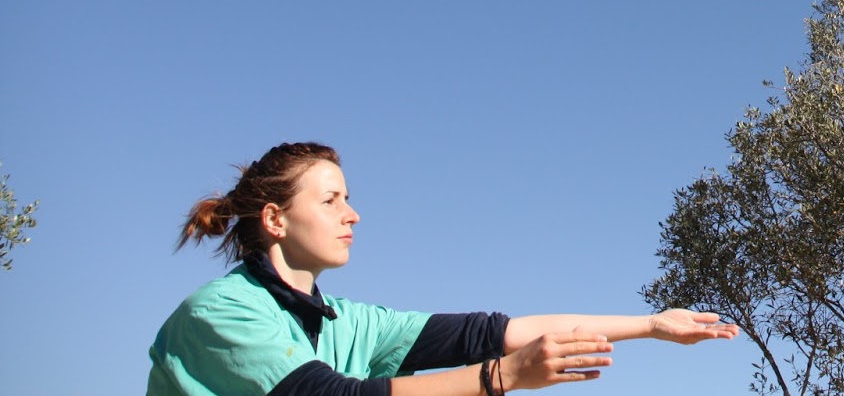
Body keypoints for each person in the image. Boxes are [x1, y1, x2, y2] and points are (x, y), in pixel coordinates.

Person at [147, 142, 738, 396]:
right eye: (330, 201)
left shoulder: (345, 322)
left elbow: (491, 332)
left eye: (348, 198)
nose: (352, 214)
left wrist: (651, 326)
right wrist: (498, 379)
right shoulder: (220, 313)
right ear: (276, 220)